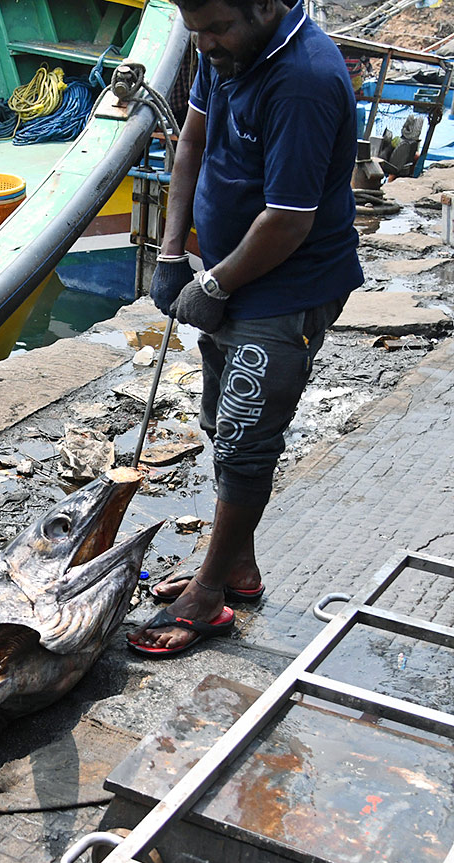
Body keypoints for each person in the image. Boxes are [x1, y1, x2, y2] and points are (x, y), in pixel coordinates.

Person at [127, 0, 363, 656]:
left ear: (265, 5)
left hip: (288, 288)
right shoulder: (223, 49)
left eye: (215, 28)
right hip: (229, 278)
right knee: (221, 425)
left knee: (245, 439)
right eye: (193, 30)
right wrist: (173, 256)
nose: (202, 44)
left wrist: (217, 283)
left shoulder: (303, 79)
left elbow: (289, 220)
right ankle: (237, 566)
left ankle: (207, 596)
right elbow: (193, 144)